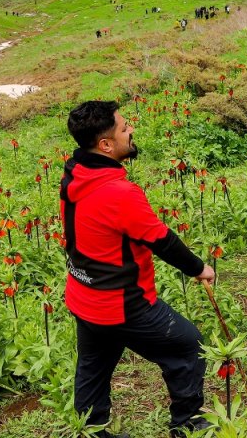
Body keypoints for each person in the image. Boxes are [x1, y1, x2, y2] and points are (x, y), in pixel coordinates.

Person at [61, 101, 215, 438]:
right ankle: (187, 424)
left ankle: (92, 432)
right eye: (124, 128)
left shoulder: (75, 172)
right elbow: (161, 240)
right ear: (105, 145)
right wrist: (199, 268)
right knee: (188, 347)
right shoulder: (119, 193)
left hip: (83, 296)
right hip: (122, 303)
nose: (131, 130)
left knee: (93, 367)